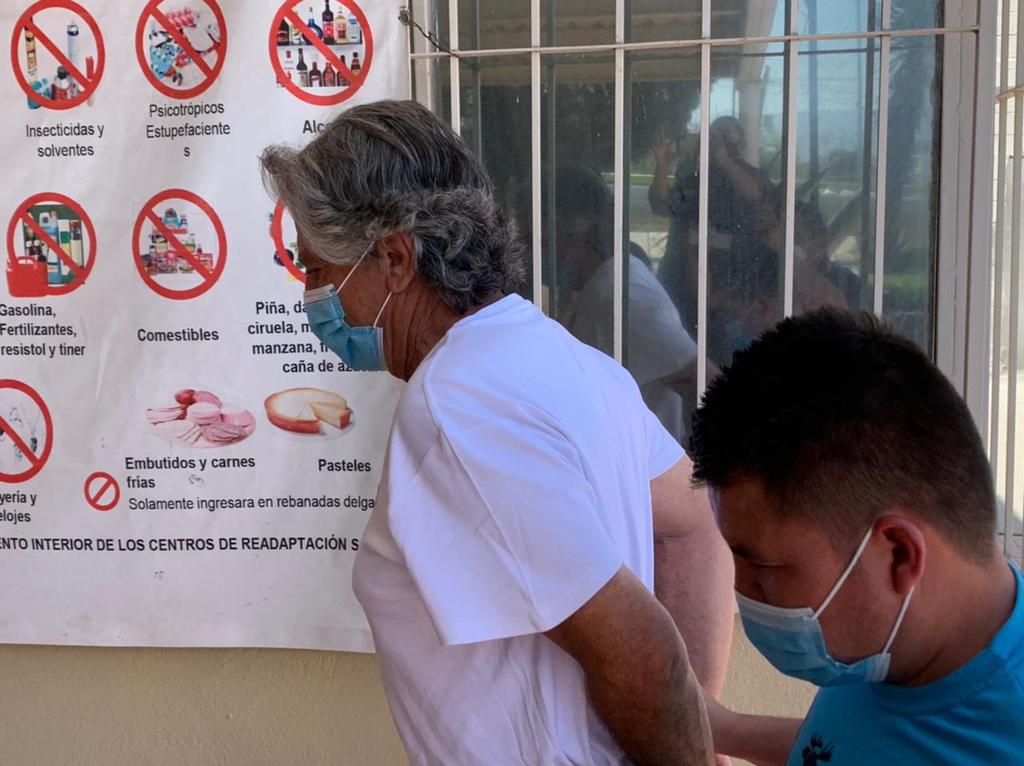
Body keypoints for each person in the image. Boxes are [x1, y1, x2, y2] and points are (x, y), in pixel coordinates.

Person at [261, 100, 734, 765]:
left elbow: (644, 653)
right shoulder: (560, 355)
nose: (311, 298)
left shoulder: (459, 403)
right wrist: (703, 729)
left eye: (317, 270)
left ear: (394, 259)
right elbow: (696, 524)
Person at [689, 308, 1024, 765]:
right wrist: (728, 729)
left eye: (763, 568)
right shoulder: (890, 653)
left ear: (899, 554)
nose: (742, 589)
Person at [553, 163, 704, 443]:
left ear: (574, 233)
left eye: (535, 236)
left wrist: (689, 466)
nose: (532, 249)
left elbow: (704, 385)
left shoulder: (624, 296)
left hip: (642, 468)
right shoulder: (599, 286)